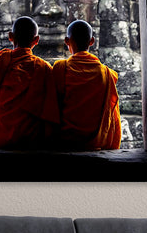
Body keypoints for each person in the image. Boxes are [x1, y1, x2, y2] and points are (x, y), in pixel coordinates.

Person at [0, 16, 59, 150]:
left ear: (10, 36)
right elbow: (50, 113)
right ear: (36, 40)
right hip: (31, 142)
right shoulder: (44, 69)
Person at [52, 20, 121, 150]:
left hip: (65, 141)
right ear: (92, 41)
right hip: (95, 142)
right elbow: (112, 115)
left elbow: (51, 107)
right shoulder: (106, 73)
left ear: (67, 41)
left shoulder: (60, 68)